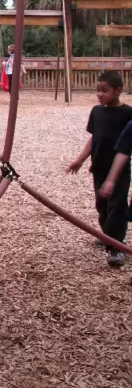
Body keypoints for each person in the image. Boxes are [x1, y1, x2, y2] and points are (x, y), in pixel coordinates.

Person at [66, 71, 132, 267]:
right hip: (99, 168)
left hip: (119, 171)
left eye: (104, 90)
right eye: (98, 91)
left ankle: (117, 247)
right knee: (101, 206)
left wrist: (113, 178)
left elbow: (127, 145)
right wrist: (79, 159)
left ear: (118, 91)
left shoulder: (128, 113)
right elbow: (94, 137)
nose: (100, 94)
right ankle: (107, 235)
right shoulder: (97, 111)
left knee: (117, 207)